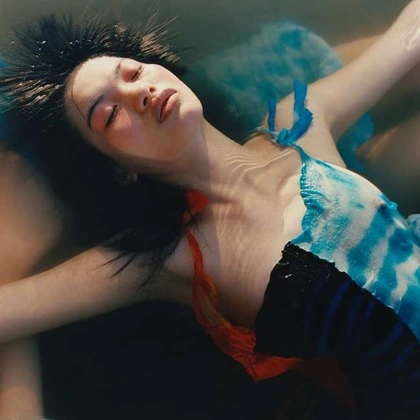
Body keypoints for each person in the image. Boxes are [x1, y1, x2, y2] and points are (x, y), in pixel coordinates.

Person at [2, 2, 420, 418]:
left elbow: (406, 39)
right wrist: (16, 255)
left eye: (133, 72)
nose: (138, 93)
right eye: (110, 114)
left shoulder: (297, 124)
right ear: (118, 171)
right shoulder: (167, 258)